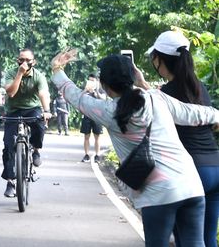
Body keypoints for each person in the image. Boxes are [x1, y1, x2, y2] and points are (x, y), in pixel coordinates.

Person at [51, 50, 219, 247]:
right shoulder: (157, 98)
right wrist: (217, 117)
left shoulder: (107, 111)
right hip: (190, 185)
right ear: (133, 78)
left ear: (104, 85)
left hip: (158, 194)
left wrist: (57, 69)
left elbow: (76, 97)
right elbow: (193, 113)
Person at [144, 30, 219, 247]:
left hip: (191, 172)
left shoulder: (167, 92)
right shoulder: (199, 86)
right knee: (206, 240)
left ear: (158, 59)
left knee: (186, 240)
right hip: (215, 166)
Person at [2, 48, 52, 198]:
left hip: (32, 109)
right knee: (8, 145)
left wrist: (46, 110)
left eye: (27, 60)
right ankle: (10, 181)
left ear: (33, 62)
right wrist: (19, 74)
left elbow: (44, 93)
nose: (24, 63)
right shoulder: (11, 73)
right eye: (21, 60)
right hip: (13, 110)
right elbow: (11, 92)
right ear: (17, 60)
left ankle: (36, 149)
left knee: (39, 125)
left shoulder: (39, 76)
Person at [80, 74, 105, 163]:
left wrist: (96, 92)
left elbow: (104, 99)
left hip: (97, 116)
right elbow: (79, 98)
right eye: (89, 80)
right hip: (87, 116)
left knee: (97, 137)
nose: (91, 82)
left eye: (93, 81)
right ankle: (86, 154)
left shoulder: (101, 89)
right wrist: (85, 91)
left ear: (97, 81)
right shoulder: (86, 90)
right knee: (86, 136)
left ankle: (97, 155)